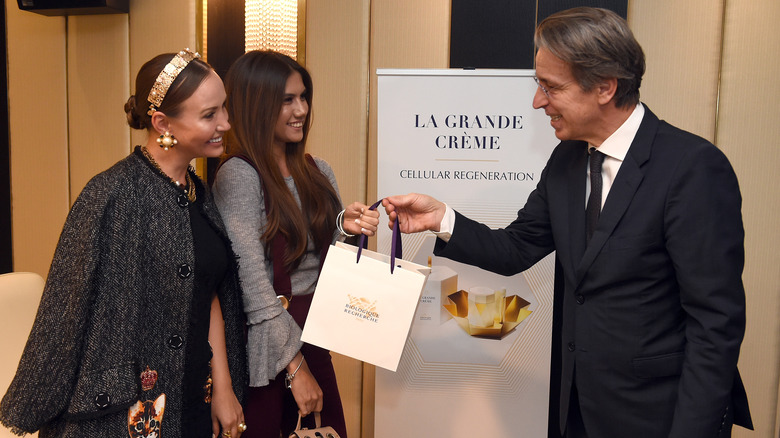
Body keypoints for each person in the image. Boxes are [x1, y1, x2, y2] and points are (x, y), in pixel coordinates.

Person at [383, 7, 752, 438]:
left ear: (605, 87)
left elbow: (715, 325)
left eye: (551, 87)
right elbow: (517, 248)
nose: (538, 101)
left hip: (659, 416)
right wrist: (440, 217)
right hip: (576, 410)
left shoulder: (691, 168)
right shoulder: (567, 160)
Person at [0, 49, 248, 438]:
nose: (226, 124)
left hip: (194, 397)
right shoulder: (111, 194)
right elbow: (65, 309)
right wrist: (35, 401)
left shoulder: (198, 193)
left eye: (223, 109)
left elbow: (208, 291)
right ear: (162, 122)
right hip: (124, 413)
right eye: (209, 115)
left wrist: (225, 387)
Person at [212, 50, 378, 438]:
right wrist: (295, 367)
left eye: (303, 97)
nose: (301, 109)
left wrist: (349, 229)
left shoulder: (317, 169)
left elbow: (327, 262)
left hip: (315, 335)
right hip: (269, 347)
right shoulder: (238, 175)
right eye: (287, 100)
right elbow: (252, 282)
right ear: (257, 105)